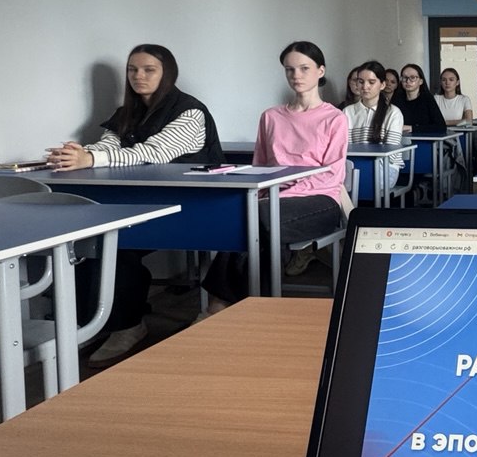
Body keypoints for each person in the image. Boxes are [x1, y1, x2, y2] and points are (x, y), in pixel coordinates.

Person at [46, 43, 223, 365]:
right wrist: (76, 153)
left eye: (148, 70)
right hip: (143, 205)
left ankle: (126, 325)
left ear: (167, 74)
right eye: (132, 70)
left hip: (191, 208)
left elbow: (153, 152)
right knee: (88, 242)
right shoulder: (126, 112)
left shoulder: (190, 112)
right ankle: (103, 322)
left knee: (117, 243)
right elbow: (108, 146)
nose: (138, 76)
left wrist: (90, 159)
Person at [205, 41, 348, 305]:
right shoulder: (270, 117)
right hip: (272, 201)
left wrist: (281, 194)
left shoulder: (334, 118)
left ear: (320, 71)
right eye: (289, 69)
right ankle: (255, 307)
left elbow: (331, 175)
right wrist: (265, 194)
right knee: (258, 227)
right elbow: (260, 166)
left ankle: (218, 305)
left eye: (304, 68)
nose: (296, 75)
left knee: (257, 219)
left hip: (319, 201)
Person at [346, 60, 403, 190]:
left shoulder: (393, 112)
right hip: (355, 166)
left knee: (364, 182)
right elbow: (347, 148)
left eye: (371, 82)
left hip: (385, 167)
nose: (365, 86)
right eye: (361, 81)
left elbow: (391, 153)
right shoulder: (347, 112)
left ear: (382, 85)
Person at [393, 63, 446, 132]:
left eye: (413, 78)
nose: (408, 81)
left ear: (421, 81)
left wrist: (411, 128)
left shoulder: (428, 99)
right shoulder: (396, 99)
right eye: (405, 78)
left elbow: (441, 127)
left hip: (423, 138)